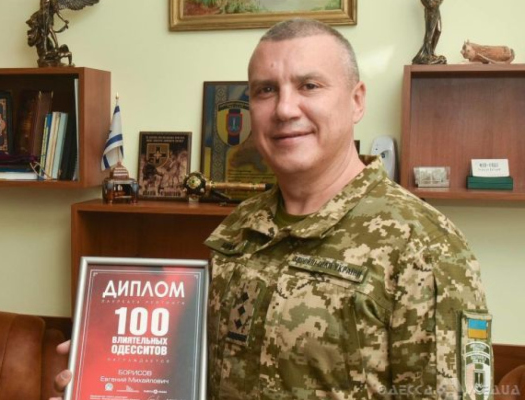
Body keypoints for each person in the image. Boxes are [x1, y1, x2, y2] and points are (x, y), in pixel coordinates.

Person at [52, 18, 491, 400]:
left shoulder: (424, 246)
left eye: (309, 86)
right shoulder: (240, 226)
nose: (284, 109)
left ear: (357, 100)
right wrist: (107, 374)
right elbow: (199, 375)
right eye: (265, 90)